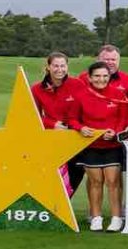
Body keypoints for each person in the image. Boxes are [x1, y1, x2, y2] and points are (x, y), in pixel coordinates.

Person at [71, 61, 128, 232]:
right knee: (96, 182)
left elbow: (123, 118)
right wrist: (81, 128)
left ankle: (116, 218)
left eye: (105, 76)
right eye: (97, 76)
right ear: (89, 78)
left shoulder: (118, 94)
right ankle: (96, 217)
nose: (101, 79)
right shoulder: (81, 95)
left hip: (112, 145)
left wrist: (115, 131)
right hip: (90, 146)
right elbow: (73, 119)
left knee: (113, 182)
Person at [31, 52, 86, 196]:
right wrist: (52, 124)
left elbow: (85, 109)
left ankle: (63, 205)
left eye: (63, 66)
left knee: (75, 171)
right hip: (52, 136)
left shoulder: (77, 84)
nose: (59, 69)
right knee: (51, 174)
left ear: (67, 67)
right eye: (55, 66)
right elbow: (33, 116)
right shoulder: (37, 89)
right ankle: (50, 204)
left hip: (75, 136)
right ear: (48, 67)